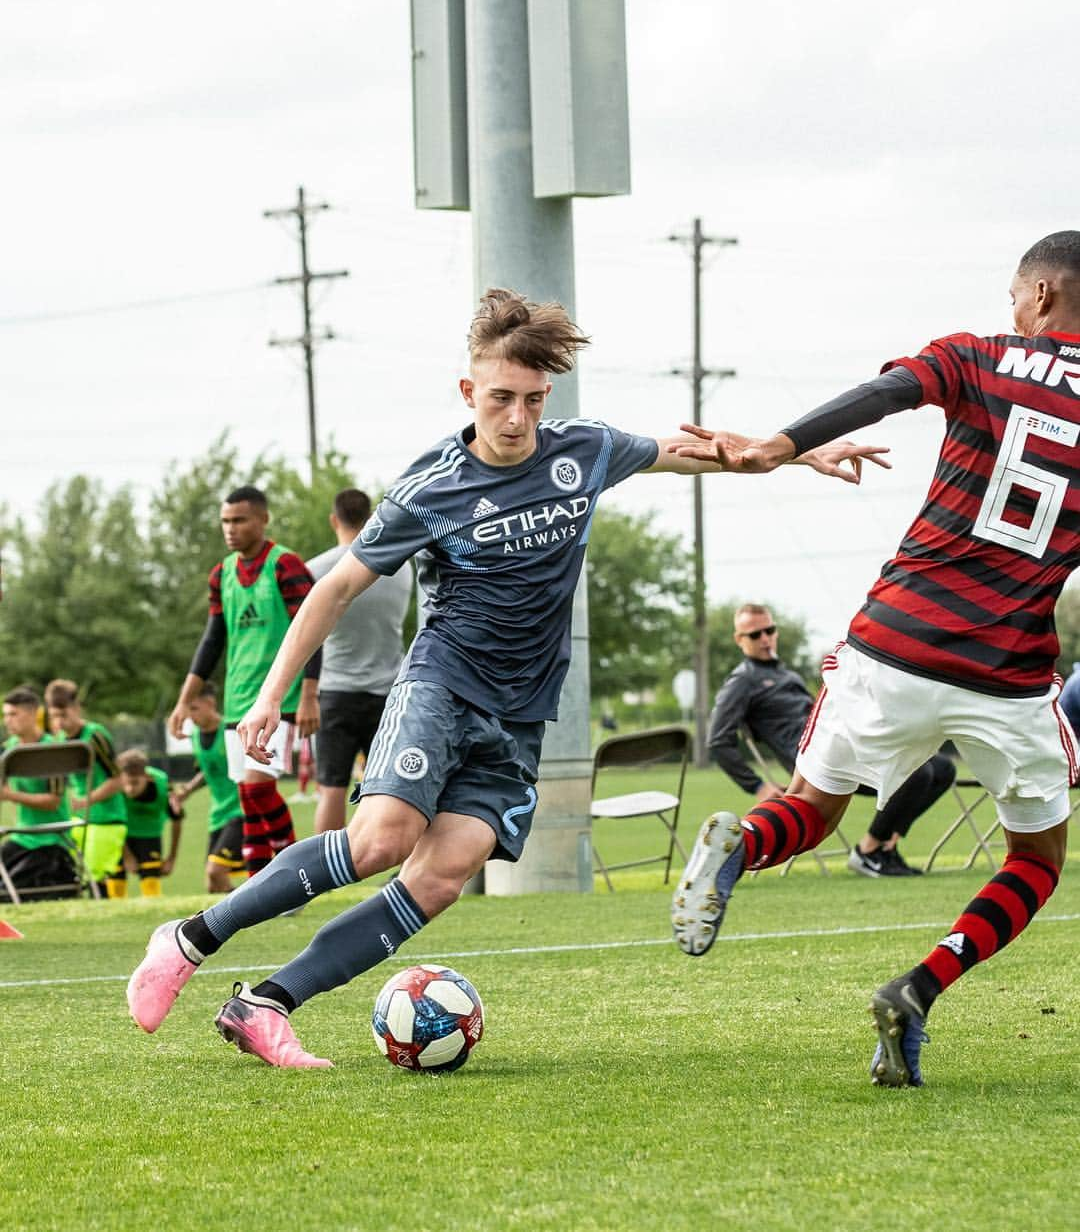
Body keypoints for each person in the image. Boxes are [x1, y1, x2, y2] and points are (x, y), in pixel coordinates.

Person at [127, 286, 884, 1068]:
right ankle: (187, 938)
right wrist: (272, 694)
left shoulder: (583, 449)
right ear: (469, 393)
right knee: (382, 839)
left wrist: (796, 450)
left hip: (523, 712)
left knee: (445, 873)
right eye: (500, 399)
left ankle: (264, 1004)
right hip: (442, 685)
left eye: (532, 399)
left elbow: (695, 449)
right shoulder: (432, 488)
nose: (517, 417)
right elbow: (337, 586)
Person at [671, 229, 1080, 1089]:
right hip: (1006, 672)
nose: (1010, 308)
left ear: (1040, 296)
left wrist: (780, 445)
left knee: (814, 810)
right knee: (1037, 861)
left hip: (897, 638)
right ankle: (919, 989)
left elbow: (888, 391)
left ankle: (740, 845)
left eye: (1015, 295)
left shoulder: (977, 354)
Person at [709, 602, 957, 875]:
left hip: (839, 738)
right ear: (739, 640)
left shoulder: (786, 674)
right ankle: (869, 851)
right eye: (755, 635)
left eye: (769, 630)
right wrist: (756, 786)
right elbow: (718, 740)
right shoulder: (741, 681)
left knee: (943, 768)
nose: (765, 638)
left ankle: (886, 846)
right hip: (815, 762)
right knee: (917, 773)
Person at [166, 485, 320, 878]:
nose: (230, 529)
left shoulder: (285, 565)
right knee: (247, 800)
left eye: (239, 520)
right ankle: (258, 882)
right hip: (237, 701)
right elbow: (212, 639)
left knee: (257, 789)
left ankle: (293, 876)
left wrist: (309, 694)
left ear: (263, 520)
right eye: (225, 521)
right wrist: (185, 699)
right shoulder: (221, 574)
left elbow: (314, 628)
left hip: (278, 699)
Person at [306, 488, 412, 834]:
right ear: (370, 519)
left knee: (332, 787)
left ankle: (326, 875)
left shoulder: (316, 570)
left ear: (334, 520)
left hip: (336, 691)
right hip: (388, 691)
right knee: (389, 789)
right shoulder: (400, 568)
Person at [44, 679, 126, 897]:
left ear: (77, 708)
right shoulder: (59, 739)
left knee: (96, 880)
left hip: (107, 819)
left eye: (64, 715)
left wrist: (87, 799)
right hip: (77, 819)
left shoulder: (95, 735)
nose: (59, 722)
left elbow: (118, 781)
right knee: (73, 876)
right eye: (54, 716)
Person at [0, 685, 77, 900]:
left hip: (52, 836)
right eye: (5, 715)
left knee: (6, 893)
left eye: (14, 714)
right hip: (22, 835)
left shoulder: (52, 749)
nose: (8, 720)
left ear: (34, 713)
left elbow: (53, 802)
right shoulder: (10, 748)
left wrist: (10, 795)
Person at [171, 682, 245, 893]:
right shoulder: (195, 736)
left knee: (216, 871)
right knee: (212, 885)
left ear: (210, 703)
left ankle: (251, 908)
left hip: (240, 811)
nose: (189, 715)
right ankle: (244, 911)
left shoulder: (231, 730)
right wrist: (186, 792)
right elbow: (208, 770)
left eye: (193, 708)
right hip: (217, 814)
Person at [116, 749, 184, 897]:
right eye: (126, 783)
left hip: (150, 836)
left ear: (146, 777)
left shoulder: (163, 784)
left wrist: (171, 858)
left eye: (135, 783)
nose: (130, 789)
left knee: (151, 888)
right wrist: (127, 856)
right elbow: (112, 823)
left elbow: (177, 820)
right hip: (119, 837)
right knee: (115, 884)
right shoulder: (114, 785)